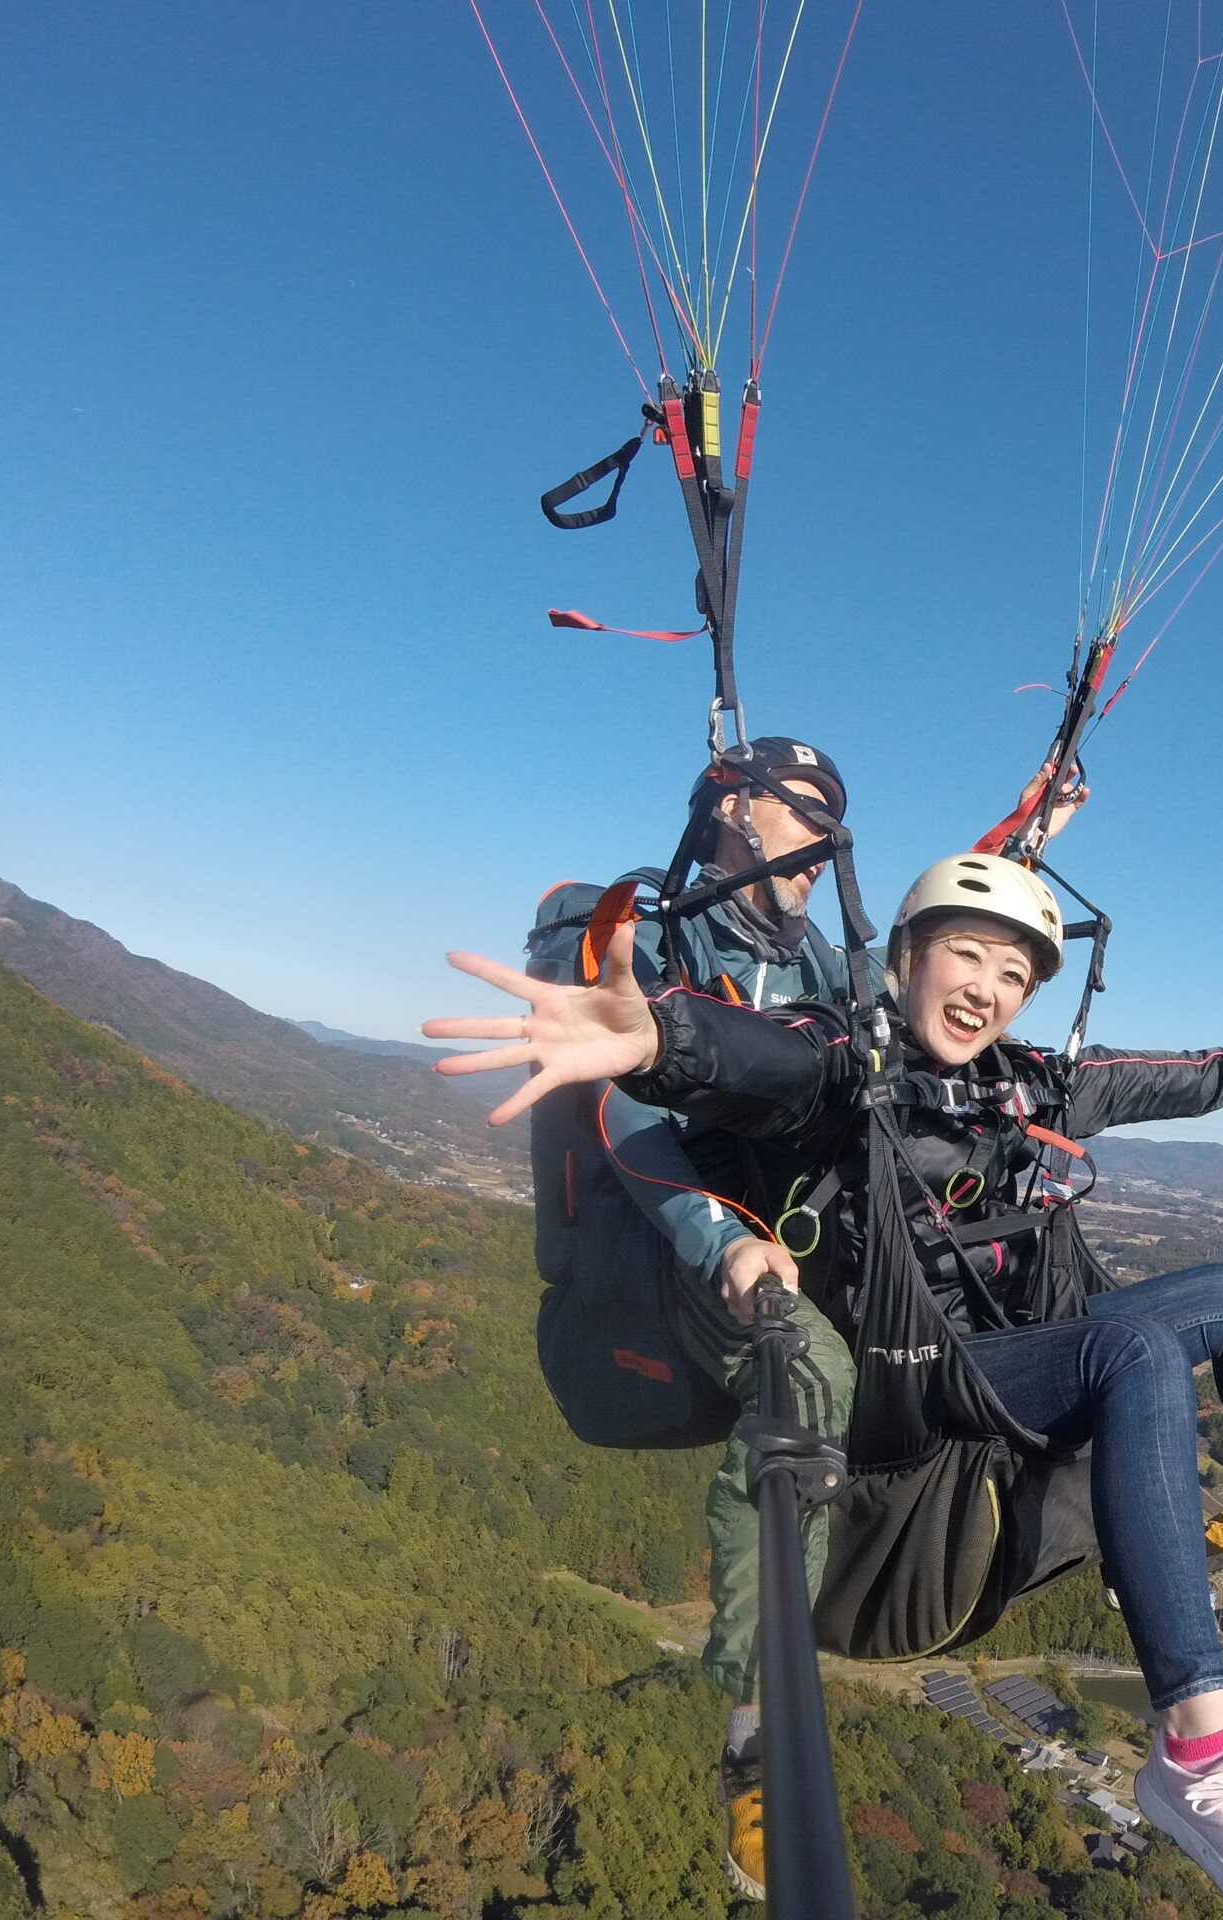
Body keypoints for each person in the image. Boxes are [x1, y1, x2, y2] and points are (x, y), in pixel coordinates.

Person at [435, 854, 1223, 1920]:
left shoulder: (1013, 1079)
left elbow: (1126, 1079)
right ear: (903, 961)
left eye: (1014, 972)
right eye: (964, 955)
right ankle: (1202, 1751)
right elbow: (758, 1059)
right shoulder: (843, 1061)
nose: (986, 984)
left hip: (993, 1353)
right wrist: (659, 1043)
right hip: (899, 1379)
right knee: (1132, 1354)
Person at [524, 736, 855, 1902]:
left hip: (754, 1259)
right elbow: (619, 1108)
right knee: (808, 1365)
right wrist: (725, 1244)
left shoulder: (818, 967)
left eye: (836, 822)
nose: (822, 845)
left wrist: (1023, 845)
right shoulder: (631, 931)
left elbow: (930, 985)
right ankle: (757, 1736)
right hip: (656, 1267)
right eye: (803, 812)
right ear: (733, 806)